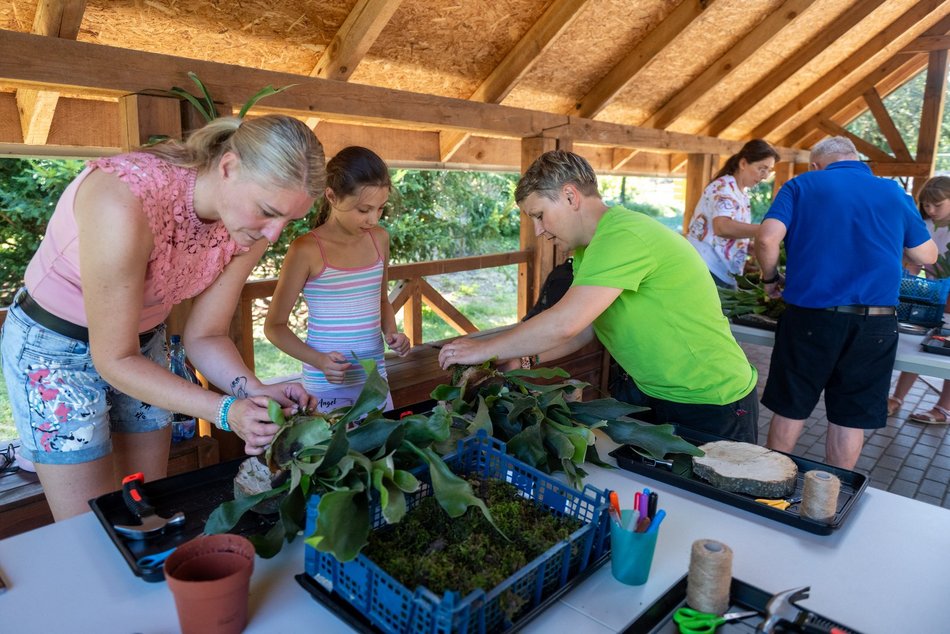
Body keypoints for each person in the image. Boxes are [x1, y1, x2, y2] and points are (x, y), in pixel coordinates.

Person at [0, 115, 325, 520]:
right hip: (53, 349)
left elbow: (206, 335)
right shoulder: (124, 199)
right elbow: (114, 358)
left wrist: (254, 393)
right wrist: (226, 411)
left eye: (288, 221)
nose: (275, 234)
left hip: (142, 344)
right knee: (89, 521)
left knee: (144, 501)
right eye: (268, 211)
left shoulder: (251, 228)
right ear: (228, 167)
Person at [437, 150, 760, 443]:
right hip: (656, 392)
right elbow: (586, 328)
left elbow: (565, 323)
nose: (539, 231)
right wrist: (524, 358)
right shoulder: (589, 250)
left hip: (711, 399)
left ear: (569, 196)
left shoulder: (623, 236)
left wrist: (483, 348)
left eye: (539, 215)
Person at [756, 136, 937, 470]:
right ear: (856, 159)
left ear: (816, 165)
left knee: (791, 407)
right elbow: (927, 255)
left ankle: (770, 484)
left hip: (810, 319)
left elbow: (767, 238)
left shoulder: (801, 185)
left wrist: (770, 280)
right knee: (850, 418)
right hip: (875, 323)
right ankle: (835, 490)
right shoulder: (894, 192)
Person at [264, 146, 410, 413]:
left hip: (375, 380)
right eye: (364, 209)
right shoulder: (306, 249)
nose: (373, 219)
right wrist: (319, 360)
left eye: (380, 208)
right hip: (325, 385)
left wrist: (393, 333)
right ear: (331, 196)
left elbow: (380, 300)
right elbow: (274, 327)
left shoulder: (379, 239)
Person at [887, 176, 950, 423]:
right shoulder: (924, 225)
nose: (931, 210)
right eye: (926, 204)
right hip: (934, 296)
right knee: (919, 347)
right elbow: (913, 263)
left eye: (938, 204)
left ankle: (944, 409)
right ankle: (897, 397)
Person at [686, 139, 780, 288]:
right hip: (708, 267)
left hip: (723, 271)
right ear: (743, 163)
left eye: (769, 170)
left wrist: (746, 246)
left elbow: (725, 232)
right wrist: (765, 230)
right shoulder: (723, 188)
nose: (765, 176)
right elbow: (722, 227)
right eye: (762, 169)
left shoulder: (740, 192)